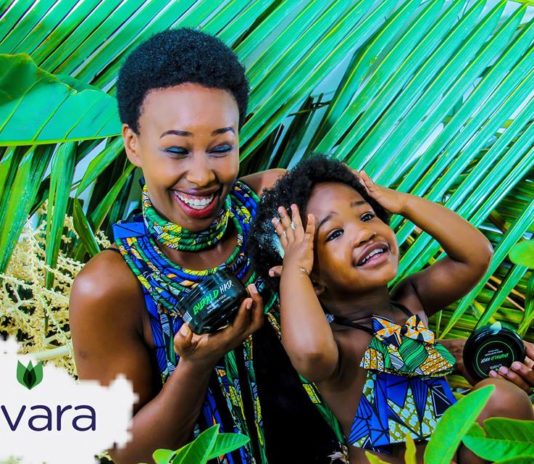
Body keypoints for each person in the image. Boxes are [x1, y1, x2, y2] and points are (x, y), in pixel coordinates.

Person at [69, 29, 347, 464]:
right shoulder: (109, 286)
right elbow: (127, 453)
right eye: (177, 150)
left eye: (220, 147)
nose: (201, 176)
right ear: (133, 145)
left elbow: (366, 305)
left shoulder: (275, 206)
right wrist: (197, 365)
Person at [248, 156, 534, 464]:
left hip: (448, 456)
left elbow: (474, 256)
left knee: (500, 397)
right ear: (313, 279)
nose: (364, 232)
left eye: (367, 215)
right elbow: (310, 351)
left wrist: (403, 203)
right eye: (334, 234)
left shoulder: (410, 302)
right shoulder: (338, 346)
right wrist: (295, 271)